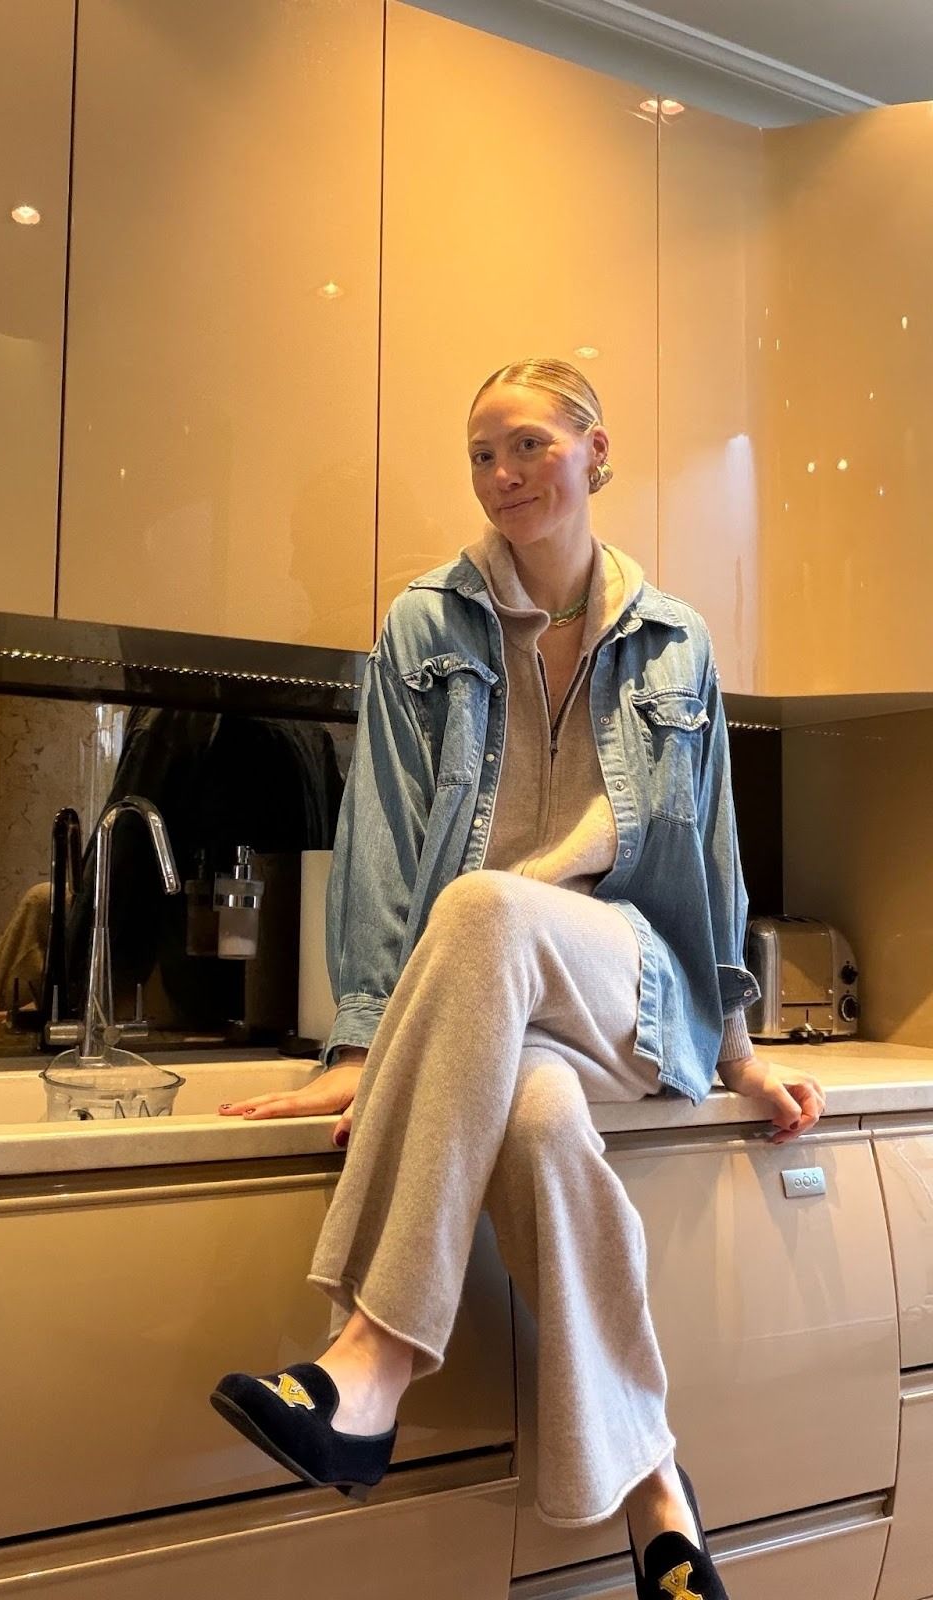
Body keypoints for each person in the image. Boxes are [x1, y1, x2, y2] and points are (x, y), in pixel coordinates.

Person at [209, 358, 826, 1599]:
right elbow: (381, 841)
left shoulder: (675, 641)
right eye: (483, 454)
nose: (504, 474)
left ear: (596, 450)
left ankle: (374, 1358)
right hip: (492, 1001)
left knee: (487, 902)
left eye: (530, 444)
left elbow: (709, 852)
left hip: (629, 982)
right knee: (535, 1122)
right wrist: (367, 1046)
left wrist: (742, 1050)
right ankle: (659, 1497)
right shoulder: (423, 628)